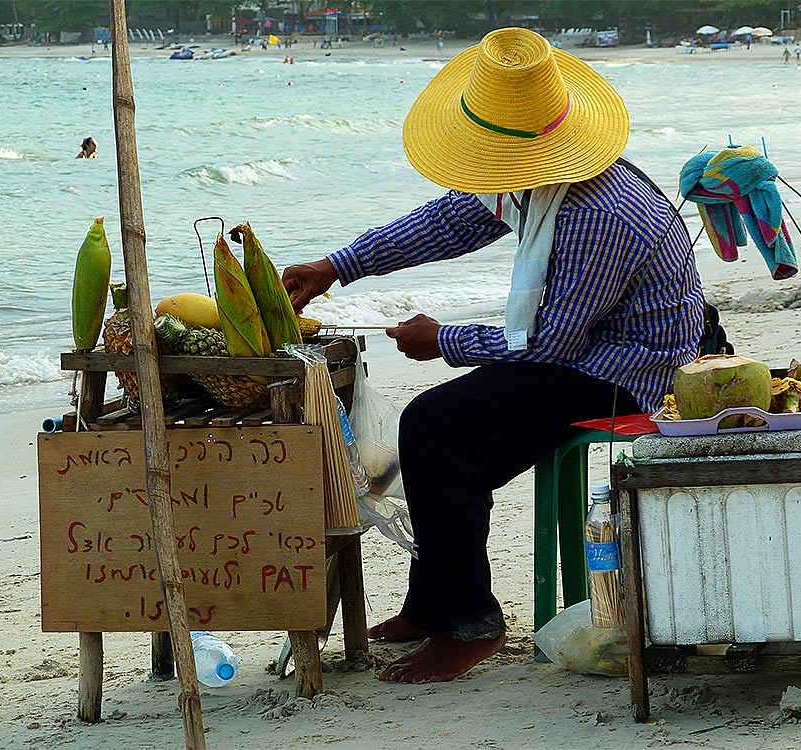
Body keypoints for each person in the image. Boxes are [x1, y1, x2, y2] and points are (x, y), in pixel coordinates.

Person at [282, 27, 702, 684]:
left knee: (437, 427)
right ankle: (432, 604)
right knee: (436, 426)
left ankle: (469, 624)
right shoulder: (537, 177)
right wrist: (339, 265)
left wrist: (442, 341)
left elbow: (550, 344)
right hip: (581, 351)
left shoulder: (600, 212)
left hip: (623, 372)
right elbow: (448, 222)